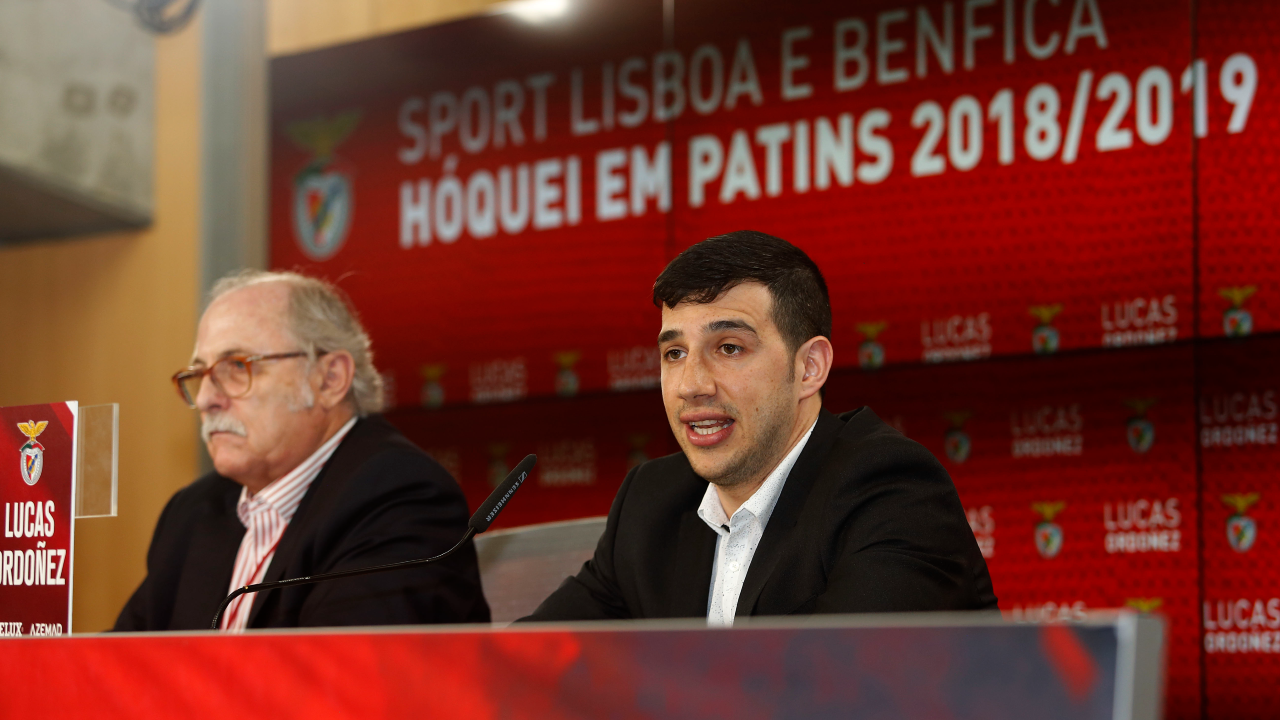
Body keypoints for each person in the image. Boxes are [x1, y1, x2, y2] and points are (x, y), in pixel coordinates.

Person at [524, 231, 996, 624]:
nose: (691, 385)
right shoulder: (651, 503)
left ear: (809, 367)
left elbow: (835, 693)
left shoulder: (892, 490)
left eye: (729, 348)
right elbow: (524, 662)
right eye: (674, 353)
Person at [115, 270, 488, 631]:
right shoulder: (193, 512)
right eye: (199, 376)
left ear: (329, 379)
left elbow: (345, 680)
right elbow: (115, 669)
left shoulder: (400, 497)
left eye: (236, 366)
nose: (209, 399)